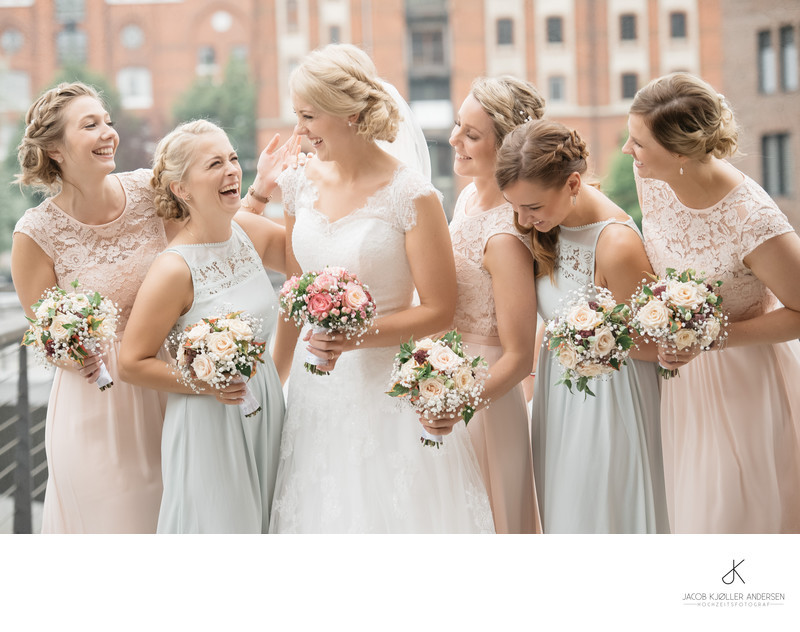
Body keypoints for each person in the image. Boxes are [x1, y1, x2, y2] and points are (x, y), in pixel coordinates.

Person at [268, 43, 493, 533]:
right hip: (313, 392)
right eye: (296, 115)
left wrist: (355, 337)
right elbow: (293, 291)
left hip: (387, 389)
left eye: (309, 115)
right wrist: (274, 380)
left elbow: (438, 309)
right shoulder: (297, 184)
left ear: (349, 114)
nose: (299, 131)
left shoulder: (411, 194)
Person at [624, 72, 800, 533]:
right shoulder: (653, 182)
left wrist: (711, 339)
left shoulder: (754, 220)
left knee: (731, 518)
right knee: (691, 510)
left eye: (638, 143)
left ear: (680, 152)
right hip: (682, 384)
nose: (628, 151)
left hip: (744, 380)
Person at [11, 82, 173, 533]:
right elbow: (47, 334)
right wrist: (75, 348)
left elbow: (214, 239)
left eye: (108, 122)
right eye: (90, 125)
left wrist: (259, 196)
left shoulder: (149, 191)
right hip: (98, 408)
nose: (108, 133)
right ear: (56, 150)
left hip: (171, 389)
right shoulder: (35, 234)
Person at [118, 120, 292, 534]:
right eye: (215, 164)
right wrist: (206, 381)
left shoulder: (247, 230)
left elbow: (309, 264)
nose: (232, 169)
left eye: (233, 158)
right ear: (182, 188)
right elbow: (131, 362)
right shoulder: (173, 270)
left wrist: (298, 194)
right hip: (210, 422)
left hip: (267, 409)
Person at [497, 119, 669, 534]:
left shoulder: (617, 245)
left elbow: (654, 347)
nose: (521, 220)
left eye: (532, 207)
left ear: (573, 184)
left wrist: (594, 341)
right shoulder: (551, 227)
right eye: (515, 206)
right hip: (559, 401)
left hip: (610, 405)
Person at [424, 76, 545, 534]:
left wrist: (459, 403)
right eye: (458, 126)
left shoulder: (506, 236)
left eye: (471, 135)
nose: (454, 139)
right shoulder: (470, 198)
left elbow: (517, 357)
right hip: (448, 379)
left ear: (509, 147)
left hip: (485, 401)